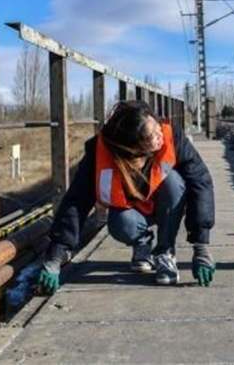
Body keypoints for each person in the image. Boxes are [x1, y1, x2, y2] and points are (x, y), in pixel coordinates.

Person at [35, 100, 216, 292]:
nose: (159, 135)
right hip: (133, 212)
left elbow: (201, 181)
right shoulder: (100, 153)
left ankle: (165, 251)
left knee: (173, 182)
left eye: (156, 126)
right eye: (151, 136)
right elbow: (76, 200)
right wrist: (55, 257)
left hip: (168, 205)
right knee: (120, 224)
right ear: (134, 148)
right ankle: (142, 243)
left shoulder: (171, 136)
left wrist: (201, 245)